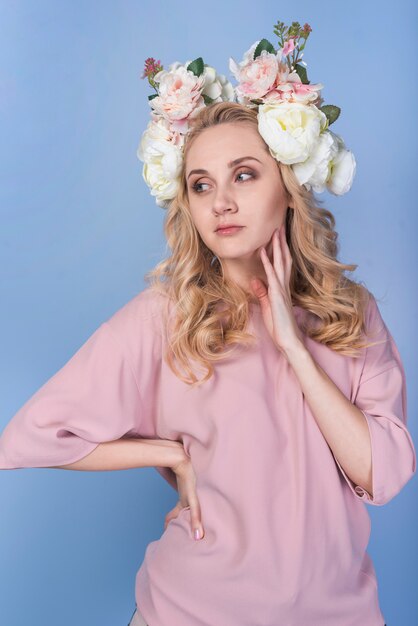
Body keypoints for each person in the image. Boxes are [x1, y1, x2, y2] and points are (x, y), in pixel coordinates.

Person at [0, 21, 412, 626]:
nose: (221, 201)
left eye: (244, 174)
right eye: (201, 185)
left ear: (287, 186)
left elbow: (384, 473)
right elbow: (25, 439)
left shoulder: (352, 315)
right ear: (187, 205)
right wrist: (169, 452)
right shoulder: (167, 318)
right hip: (189, 613)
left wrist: (295, 349)